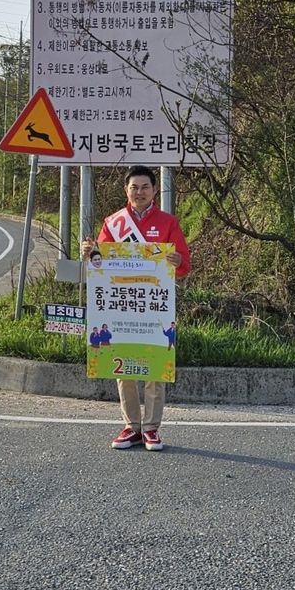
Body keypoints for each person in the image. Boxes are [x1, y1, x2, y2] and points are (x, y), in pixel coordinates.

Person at [81, 164, 191, 452]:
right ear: (126, 190)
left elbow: (184, 265)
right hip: (122, 306)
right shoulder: (113, 222)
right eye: (134, 187)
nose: (139, 192)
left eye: (145, 187)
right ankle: (132, 426)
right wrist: (89, 253)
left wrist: (178, 262)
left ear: (154, 190)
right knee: (124, 362)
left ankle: (152, 428)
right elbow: (99, 263)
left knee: (155, 364)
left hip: (155, 306)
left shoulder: (168, 223)